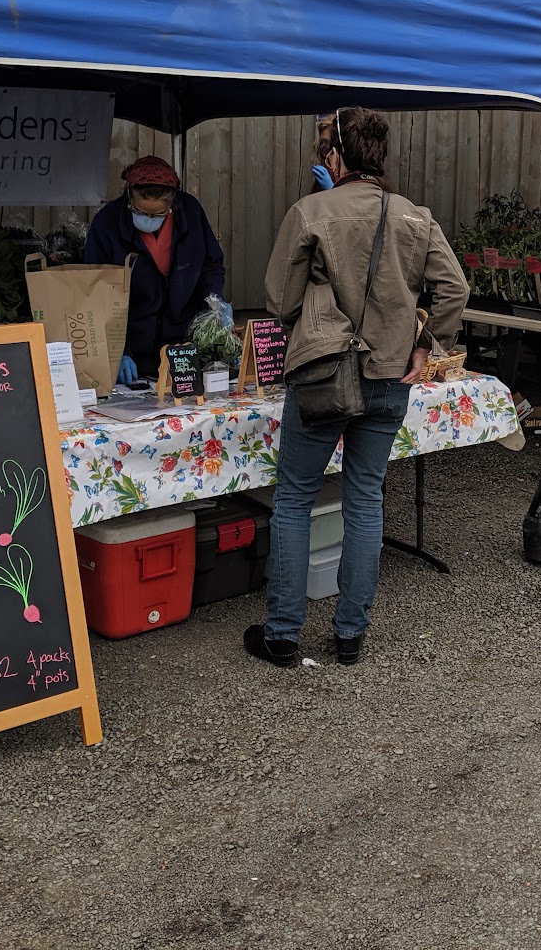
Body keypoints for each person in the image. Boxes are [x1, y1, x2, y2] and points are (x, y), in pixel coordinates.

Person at [246, 108, 468, 669]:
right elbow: (454, 289)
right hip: (392, 375)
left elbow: (279, 300)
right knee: (366, 498)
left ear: (335, 155)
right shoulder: (416, 217)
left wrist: (316, 313)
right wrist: (426, 344)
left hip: (324, 371)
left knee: (294, 498)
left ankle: (282, 634)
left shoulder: (311, 211)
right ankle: (350, 635)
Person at [84, 155, 226, 385]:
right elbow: (95, 290)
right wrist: (117, 350)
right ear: (129, 197)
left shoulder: (191, 212)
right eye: (140, 212)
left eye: (158, 214)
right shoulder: (106, 224)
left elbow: (211, 264)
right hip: (132, 346)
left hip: (183, 347)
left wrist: (214, 302)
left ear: (172, 204)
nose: (149, 219)